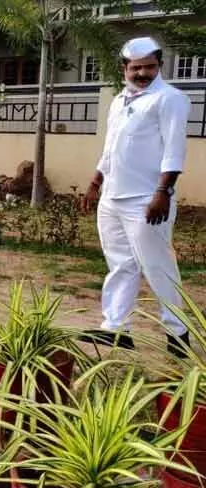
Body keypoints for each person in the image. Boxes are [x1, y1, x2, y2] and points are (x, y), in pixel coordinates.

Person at [82, 37, 191, 357]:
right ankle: (115, 328)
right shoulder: (119, 100)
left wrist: (163, 192)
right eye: (136, 68)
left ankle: (178, 333)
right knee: (120, 264)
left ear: (159, 66)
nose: (143, 73)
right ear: (125, 68)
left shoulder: (169, 99)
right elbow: (111, 147)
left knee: (158, 266)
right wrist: (95, 181)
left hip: (147, 198)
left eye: (150, 67)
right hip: (113, 196)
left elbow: (175, 149)